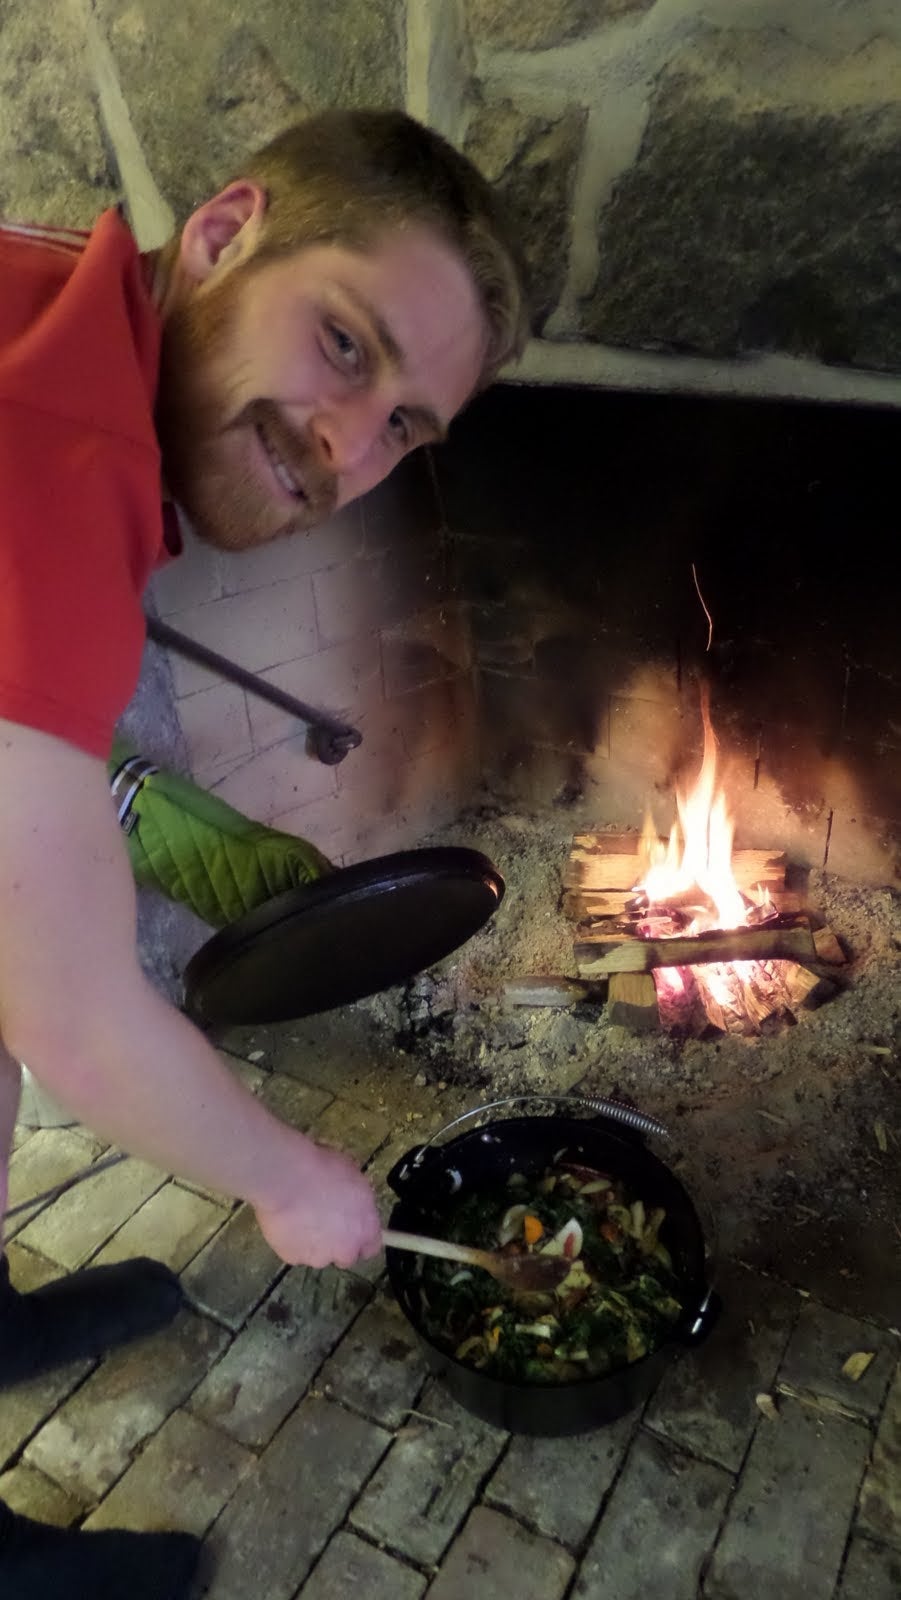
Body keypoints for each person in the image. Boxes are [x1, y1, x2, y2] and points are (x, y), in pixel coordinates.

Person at [0, 107, 528, 1598]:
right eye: (346, 343)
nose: (345, 448)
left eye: (405, 426)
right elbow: (79, 1024)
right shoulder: (51, 461)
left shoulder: (66, 302)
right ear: (227, 232)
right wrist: (289, 1180)